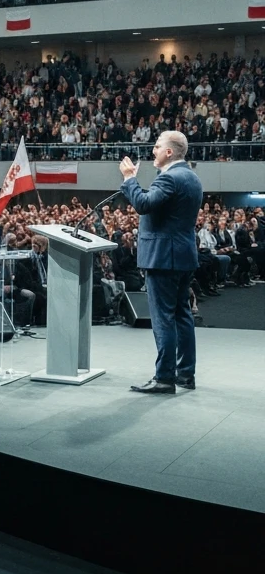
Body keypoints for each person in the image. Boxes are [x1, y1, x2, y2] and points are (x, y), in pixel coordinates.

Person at [119, 131, 203, 393]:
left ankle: (164, 377)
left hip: (162, 258)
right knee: (182, 315)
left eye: (157, 146)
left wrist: (130, 179)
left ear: (169, 152)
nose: (153, 150)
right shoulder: (191, 177)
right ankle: (185, 374)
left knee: (163, 319)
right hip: (183, 255)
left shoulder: (169, 178)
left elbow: (143, 204)